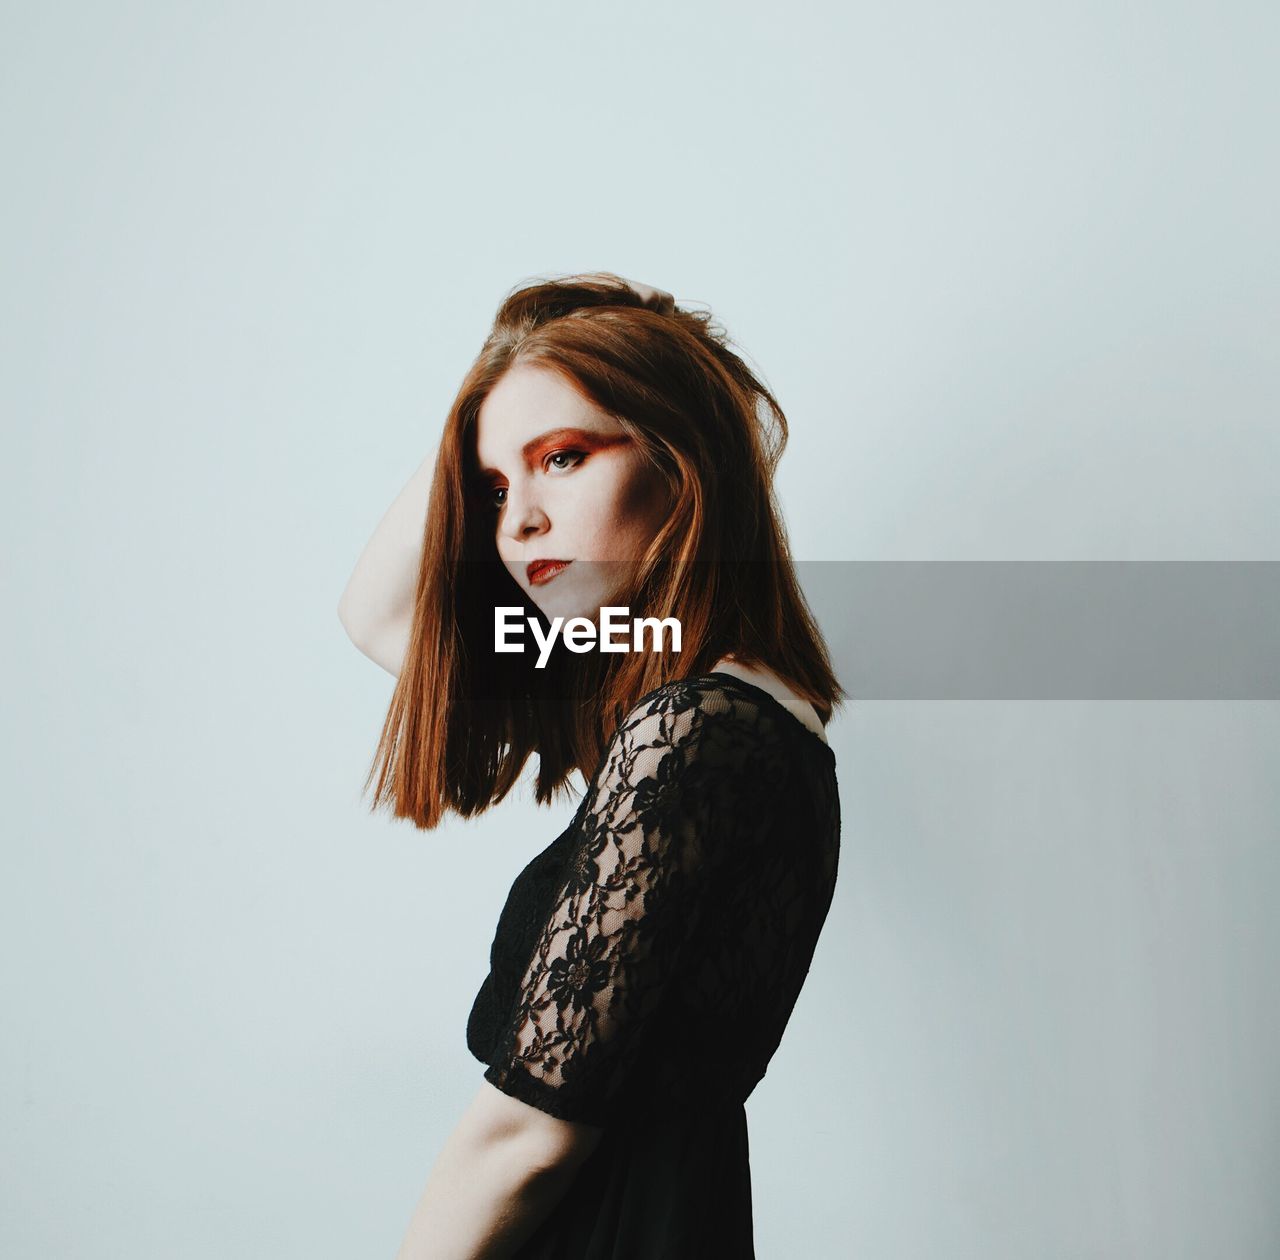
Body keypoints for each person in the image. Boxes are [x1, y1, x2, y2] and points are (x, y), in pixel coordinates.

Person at [338, 272, 845, 1258]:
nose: (517, 519)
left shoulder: (694, 734)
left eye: (560, 459)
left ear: (676, 461)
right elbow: (379, 617)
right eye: (492, 487)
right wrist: (504, 384)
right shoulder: (690, 709)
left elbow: (523, 1135)